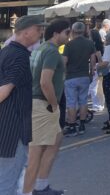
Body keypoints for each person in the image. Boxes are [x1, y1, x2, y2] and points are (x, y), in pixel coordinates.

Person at [23, 18, 70, 195]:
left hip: (39, 104)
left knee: (55, 140)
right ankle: (29, 191)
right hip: (43, 105)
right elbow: (45, 82)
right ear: (56, 33)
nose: (69, 35)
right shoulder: (51, 52)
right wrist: (54, 104)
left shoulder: (41, 49)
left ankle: (40, 186)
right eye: (67, 32)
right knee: (36, 152)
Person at [0, 15, 44, 194]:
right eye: (38, 29)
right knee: (8, 180)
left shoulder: (6, 51)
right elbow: (4, 91)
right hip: (12, 130)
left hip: (7, 126)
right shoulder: (19, 56)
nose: (41, 33)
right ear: (26, 32)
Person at [62, 21, 98, 136]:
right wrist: (92, 72)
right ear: (83, 31)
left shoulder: (69, 44)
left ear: (73, 31)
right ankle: (82, 125)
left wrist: (63, 73)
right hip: (84, 76)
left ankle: (72, 126)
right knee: (83, 101)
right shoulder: (89, 43)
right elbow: (93, 60)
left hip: (71, 76)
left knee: (71, 102)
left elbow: (64, 62)